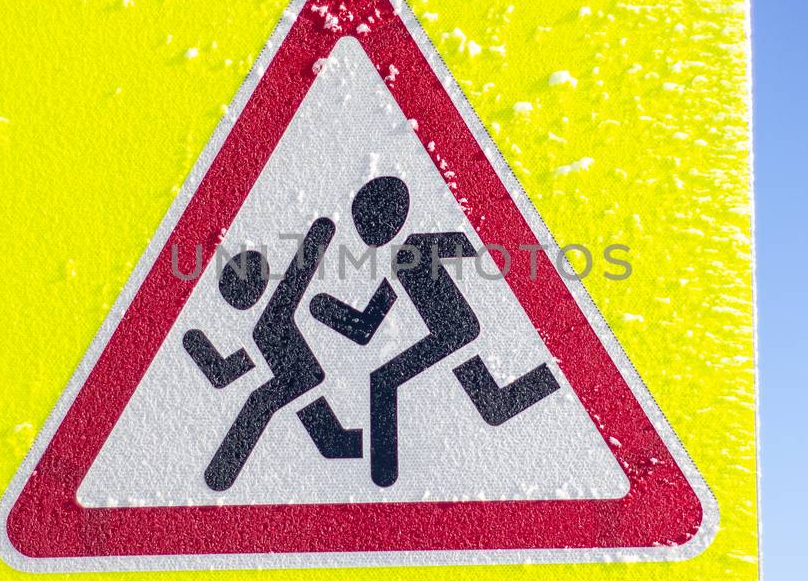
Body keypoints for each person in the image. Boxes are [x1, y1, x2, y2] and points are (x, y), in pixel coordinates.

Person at [311, 176, 559, 488]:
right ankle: (553, 376)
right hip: (456, 336)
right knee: (494, 406)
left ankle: (384, 472)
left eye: (365, 222)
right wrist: (329, 312)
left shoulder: (414, 249)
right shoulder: (404, 257)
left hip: (454, 332)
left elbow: (484, 248)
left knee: (384, 380)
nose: (362, 232)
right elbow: (368, 323)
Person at [182, 222, 360, 492]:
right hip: (298, 370)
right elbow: (223, 372)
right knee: (268, 404)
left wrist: (319, 236)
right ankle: (220, 476)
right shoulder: (266, 320)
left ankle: (221, 475)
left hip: (300, 369)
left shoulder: (273, 313)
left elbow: (297, 278)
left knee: (262, 402)